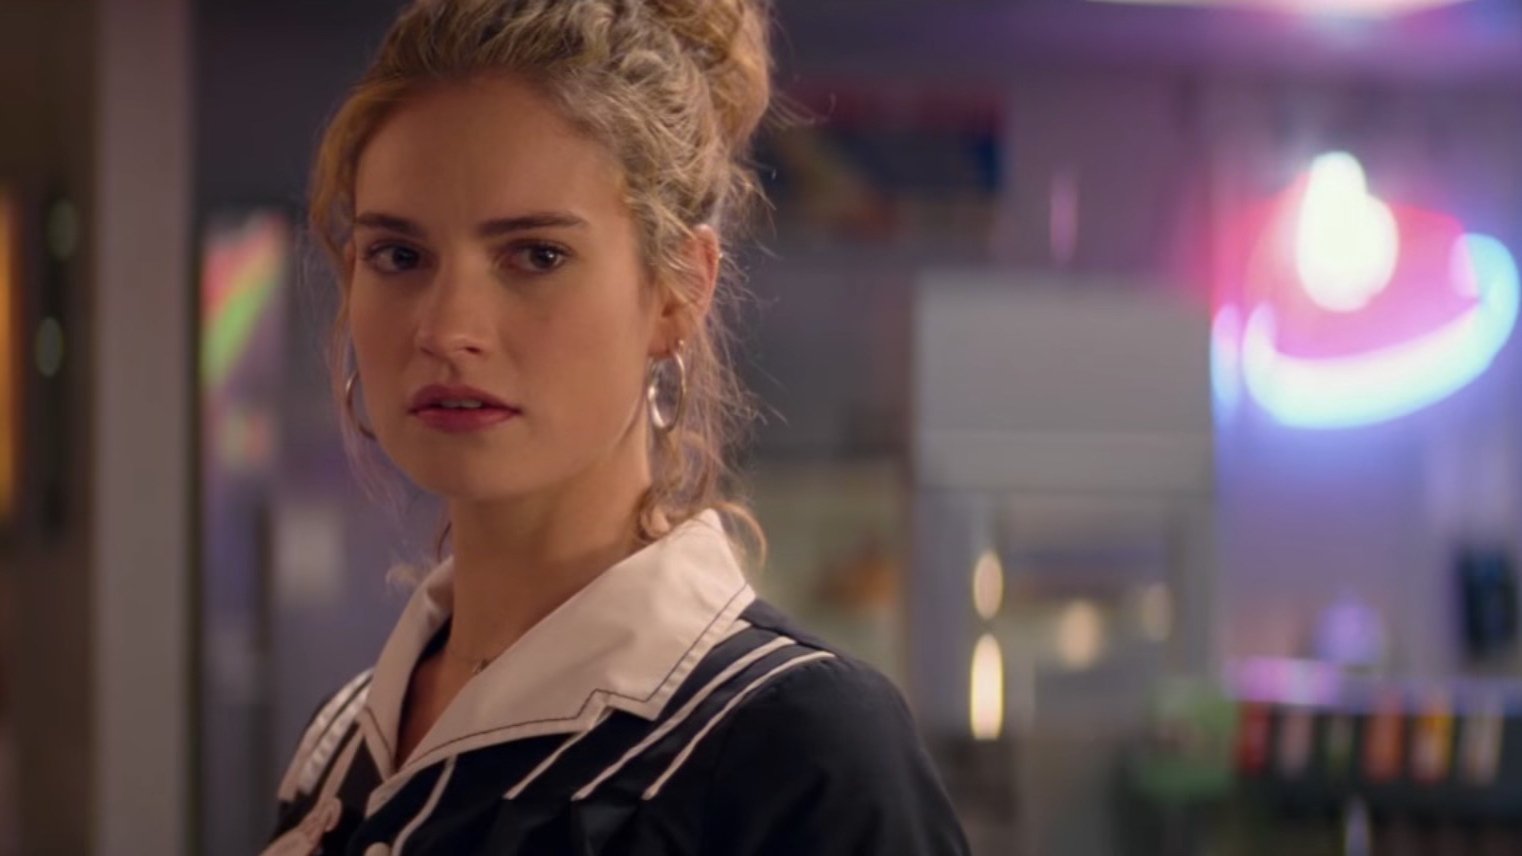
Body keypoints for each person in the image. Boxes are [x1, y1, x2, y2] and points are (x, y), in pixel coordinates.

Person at [265, 1, 971, 853]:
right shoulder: (337, 747)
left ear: (678, 290)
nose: (447, 328)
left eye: (536, 255)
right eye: (399, 256)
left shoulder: (797, 751)